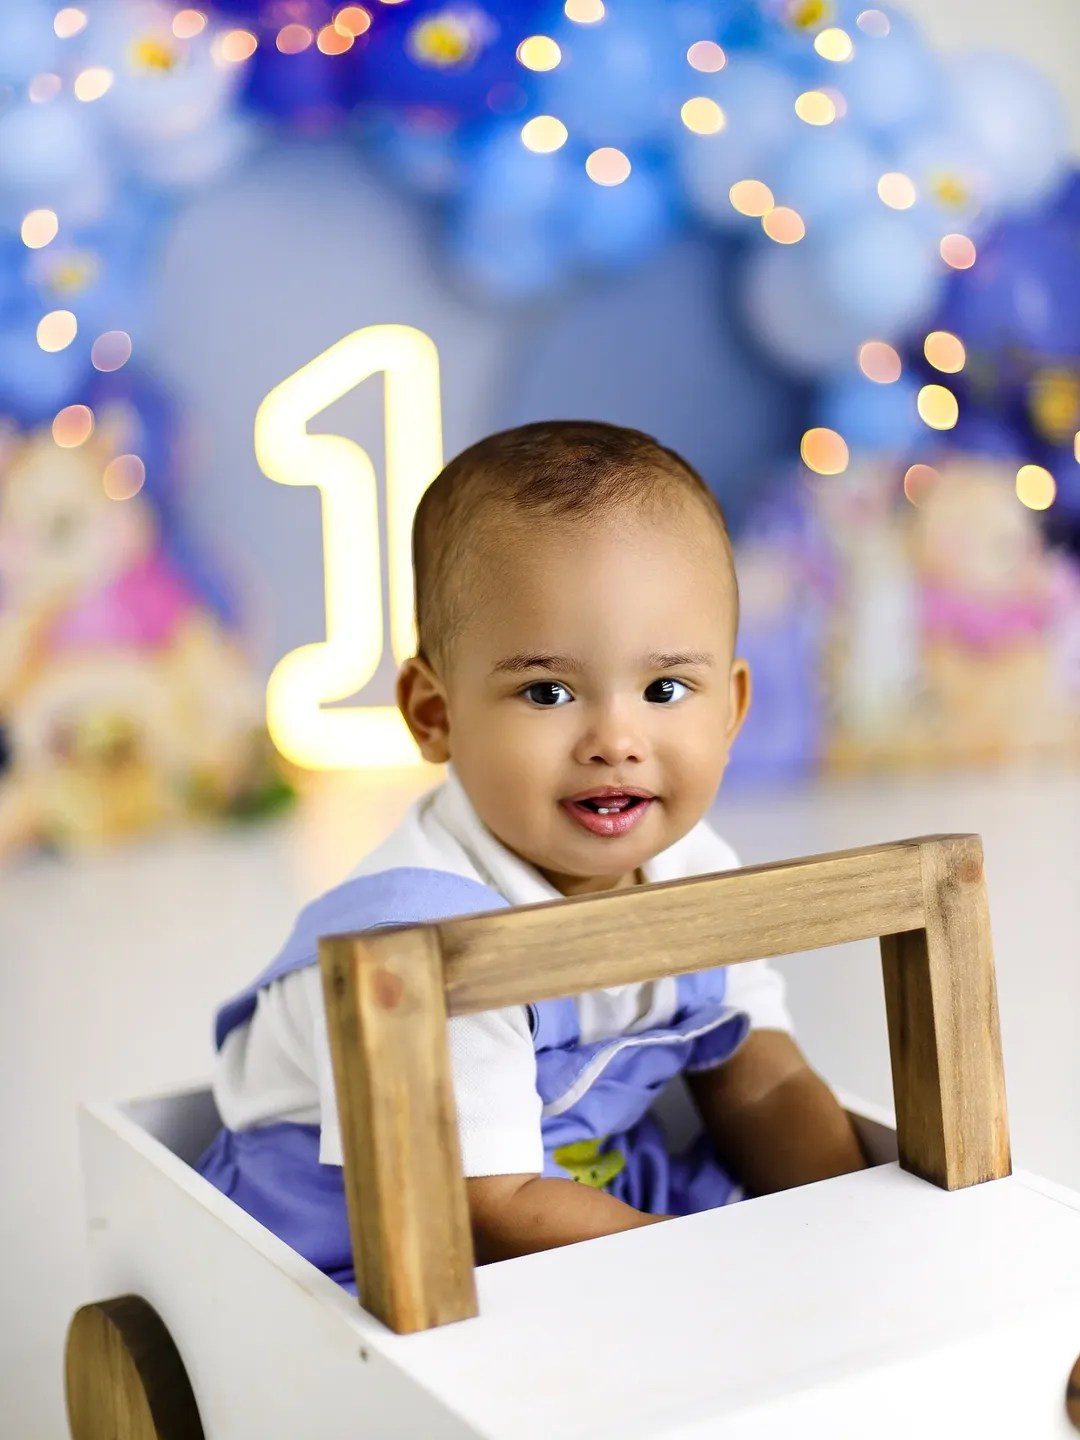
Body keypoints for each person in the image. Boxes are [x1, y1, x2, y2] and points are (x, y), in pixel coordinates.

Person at [198, 420, 865, 1284]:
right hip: (386, 1234)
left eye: (665, 689)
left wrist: (851, 1222)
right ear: (435, 715)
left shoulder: (696, 870)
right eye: (547, 691)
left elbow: (763, 1083)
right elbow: (494, 1205)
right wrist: (717, 1279)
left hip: (579, 1190)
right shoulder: (428, 945)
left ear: (731, 707)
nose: (616, 740)